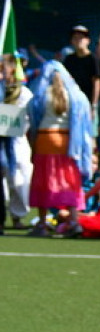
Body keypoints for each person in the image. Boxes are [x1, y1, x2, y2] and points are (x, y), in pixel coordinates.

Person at [26, 61, 93, 237]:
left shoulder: (41, 93)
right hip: (67, 141)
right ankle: (73, 221)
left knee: (43, 181)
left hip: (45, 139)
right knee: (69, 181)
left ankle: (42, 223)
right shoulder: (75, 96)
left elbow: (30, 110)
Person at [1, 53, 33, 229]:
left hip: (17, 140)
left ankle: (17, 216)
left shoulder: (24, 93)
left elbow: (29, 118)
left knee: (18, 177)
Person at [62, 24, 100, 119]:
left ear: (88, 41)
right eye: (75, 38)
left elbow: (96, 82)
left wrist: (94, 106)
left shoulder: (93, 59)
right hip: (72, 104)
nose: (78, 40)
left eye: (81, 38)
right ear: (71, 41)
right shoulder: (68, 59)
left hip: (88, 105)